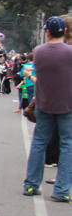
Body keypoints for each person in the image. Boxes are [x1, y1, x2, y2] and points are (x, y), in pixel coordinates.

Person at [23, 17, 72, 202]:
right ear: (65, 31)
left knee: (39, 143)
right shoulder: (70, 51)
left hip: (44, 103)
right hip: (67, 104)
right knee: (67, 145)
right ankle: (62, 190)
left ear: (47, 32)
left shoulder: (39, 51)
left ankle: (31, 184)